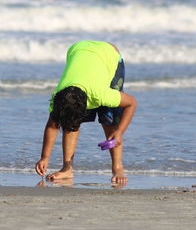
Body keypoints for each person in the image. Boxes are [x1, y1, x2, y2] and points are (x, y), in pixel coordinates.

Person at [35, 41, 136, 185]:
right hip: (78, 49)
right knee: (69, 119)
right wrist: (44, 158)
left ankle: (118, 167)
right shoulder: (58, 96)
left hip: (108, 54)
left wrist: (120, 131)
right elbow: (52, 126)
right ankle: (67, 168)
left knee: (108, 117)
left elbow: (132, 103)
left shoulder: (100, 94)